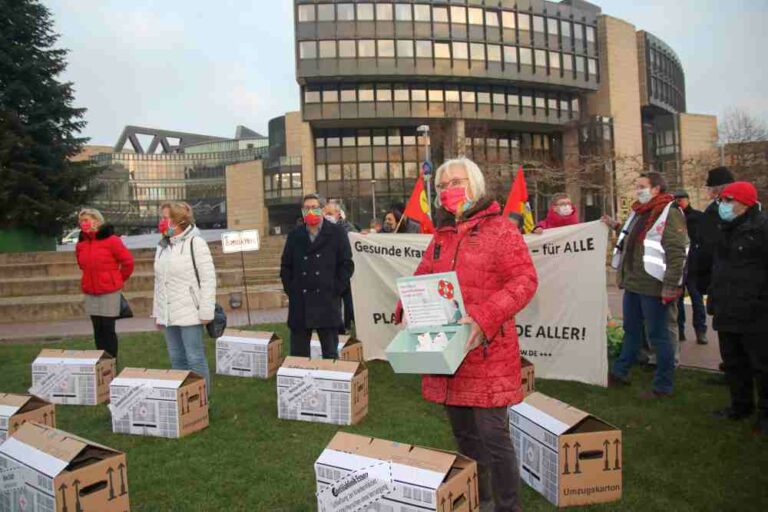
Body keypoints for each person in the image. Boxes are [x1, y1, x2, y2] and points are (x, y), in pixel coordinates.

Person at [398, 157, 538, 512]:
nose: (448, 191)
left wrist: (483, 317)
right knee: (465, 435)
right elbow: (424, 273)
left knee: (493, 437)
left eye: (455, 182)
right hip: (449, 352)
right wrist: (406, 302)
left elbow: (525, 281)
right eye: (442, 186)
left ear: (474, 185)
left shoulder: (501, 230)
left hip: (487, 351)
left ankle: (508, 507)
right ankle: (482, 500)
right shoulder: (442, 234)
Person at [605, 172, 689, 398]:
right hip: (634, 283)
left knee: (658, 336)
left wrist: (671, 285)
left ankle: (663, 385)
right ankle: (620, 372)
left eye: (641, 186)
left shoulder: (669, 213)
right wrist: (614, 225)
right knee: (631, 331)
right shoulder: (640, 212)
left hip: (654, 286)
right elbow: (632, 235)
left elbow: (677, 252)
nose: (637, 190)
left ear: (656, 189)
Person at [707, 181, 768, 435]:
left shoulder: (761, 228)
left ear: (745, 202)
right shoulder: (724, 228)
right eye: (722, 200)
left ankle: (765, 415)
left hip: (755, 311)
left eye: (729, 201)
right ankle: (740, 405)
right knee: (733, 362)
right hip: (727, 307)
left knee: (762, 366)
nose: (723, 205)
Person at [153, 202, 216, 397]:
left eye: (165, 218)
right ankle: (182, 399)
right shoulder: (163, 245)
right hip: (168, 312)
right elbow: (159, 282)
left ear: (178, 220)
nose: (162, 222)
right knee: (176, 357)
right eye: (161, 218)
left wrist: (206, 311)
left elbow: (208, 278)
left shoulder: (195, 243)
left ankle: (201, 400)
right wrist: (158, 313)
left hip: (190, 311)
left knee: (194, 357)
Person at [280, 193, 354, 358]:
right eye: (307, 208)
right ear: (302, 211)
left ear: (322, 209)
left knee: (330, 355)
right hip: (301, 304)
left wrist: (336, 289)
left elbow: (346, 264)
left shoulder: (337, 233)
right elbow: (286, 266)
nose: (310, 211)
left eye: (314, 208)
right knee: (299, 357)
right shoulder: (295, 235)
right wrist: (292, 290)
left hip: (327, 302)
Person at [75, 208, 134, 360]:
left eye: (86, 220)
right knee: (97, 330)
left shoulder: (112, 240)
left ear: (96, 220)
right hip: (91, 291)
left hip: (109, 291)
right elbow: (82, 264)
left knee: (108, 329)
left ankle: (112, 362)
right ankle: (102, 363)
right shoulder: (81, 243)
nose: (83, 224)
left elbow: (128, 262)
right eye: (81, 221)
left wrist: (117, 279)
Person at [693, 166, 735, 296]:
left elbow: (708, 248)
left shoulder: (715, 213)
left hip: (728, 280)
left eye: (709, 188)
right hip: (719, 280)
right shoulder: (711, 212)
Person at [673, 190, 707, 344]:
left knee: (696, 299)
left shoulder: (698, 217)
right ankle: (680, 331)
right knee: (677, 301)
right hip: (678, 265)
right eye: (676, 200)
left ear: (687, 199)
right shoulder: (673, 218)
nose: (679, 202)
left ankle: (701, 331)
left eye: (681, 199)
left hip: (693, 266)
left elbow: (704, 241)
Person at [323, 201, 356, 333]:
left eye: (330, 214)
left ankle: (348, 326)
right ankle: (338, 328)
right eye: (325, 214)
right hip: (329, 273)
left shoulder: (347, 227)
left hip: (344, 273)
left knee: (348, 303)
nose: (327, 216)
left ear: (338, 214)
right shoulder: (320, 228)